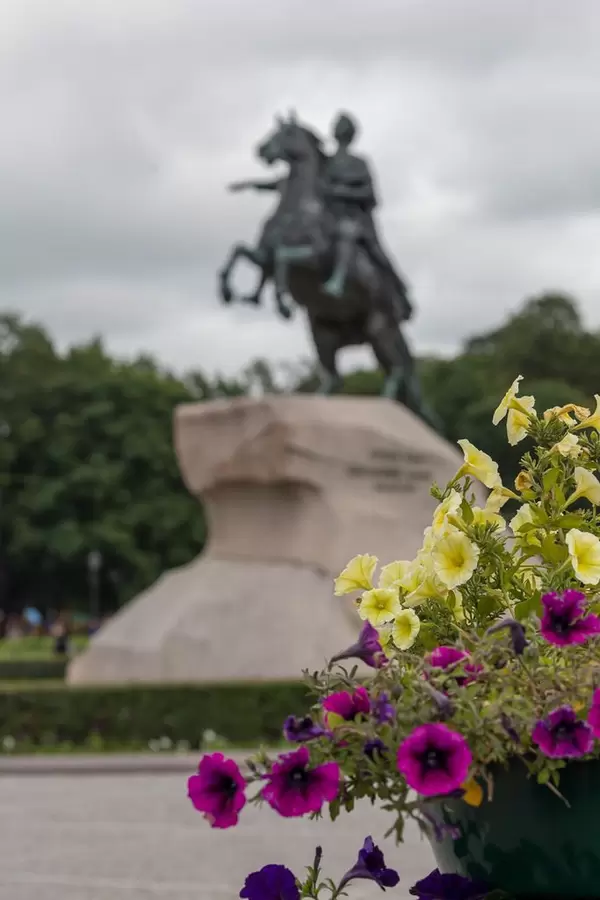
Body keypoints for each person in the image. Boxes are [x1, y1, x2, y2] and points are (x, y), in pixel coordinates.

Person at [321, 112, 412, 320]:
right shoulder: (326, 163)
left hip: (356, 220)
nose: (339, 130)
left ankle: (401, 292)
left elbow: (371, 196)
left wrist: (340, 192)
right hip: (329, 220)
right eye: (337, 126)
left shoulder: (359, 163)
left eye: (343, 127)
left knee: (378, 254)